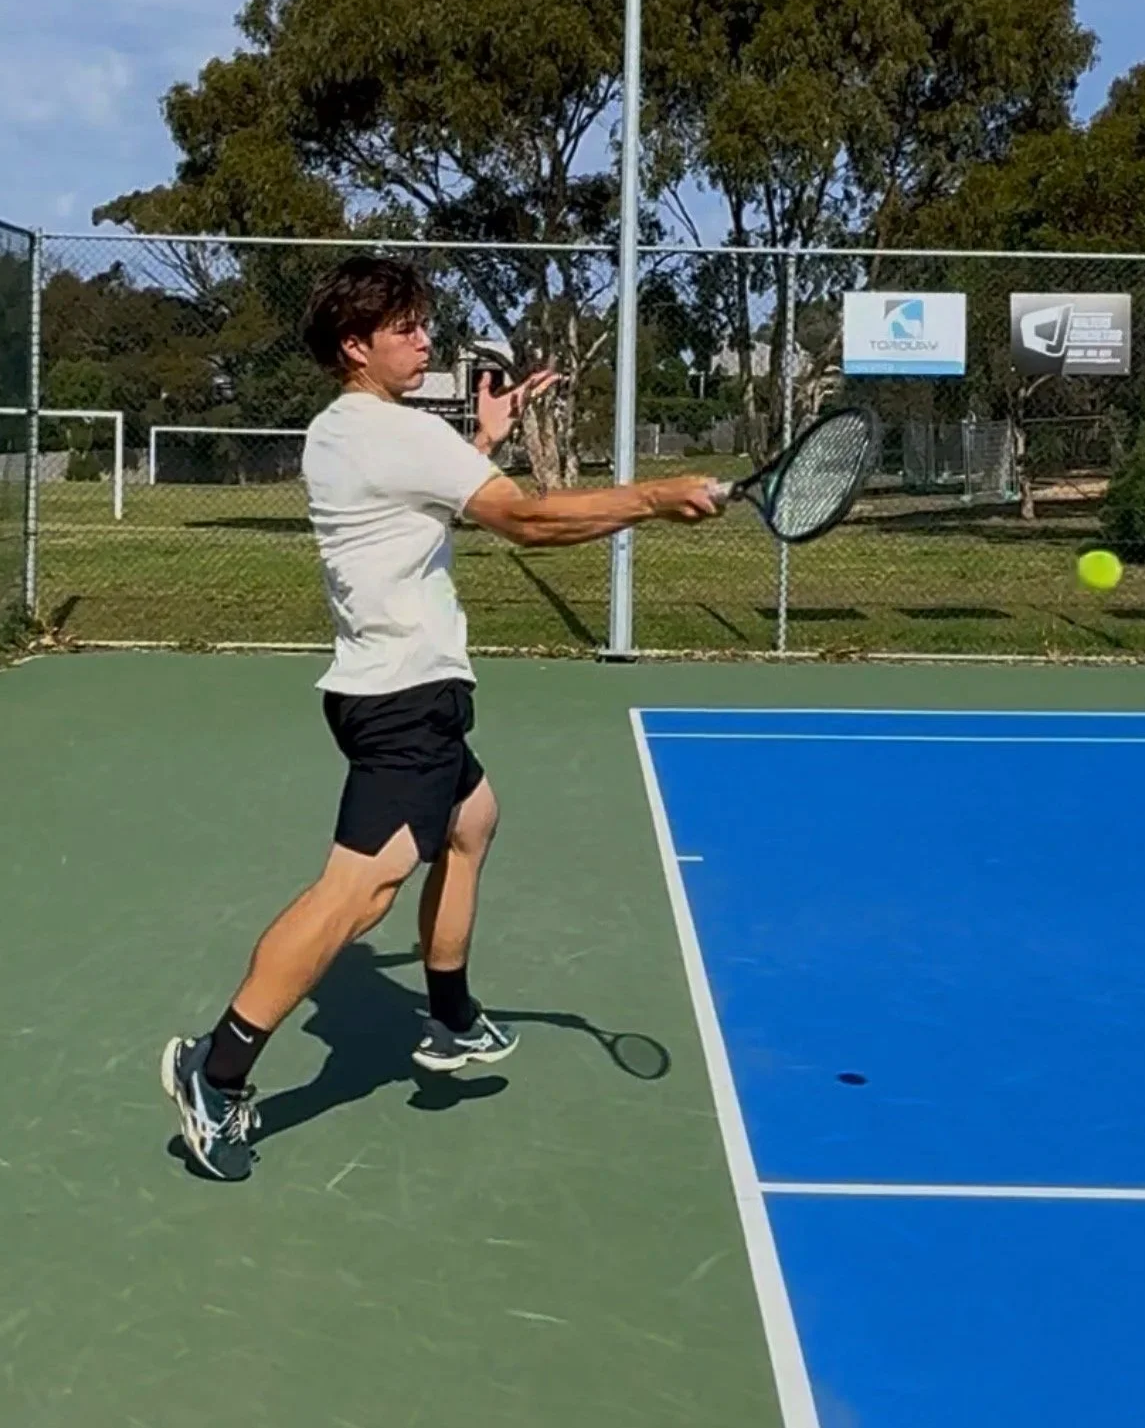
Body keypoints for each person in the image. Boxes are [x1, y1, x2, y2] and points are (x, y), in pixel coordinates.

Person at [161, 254, 724, 1180]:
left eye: (424, 322)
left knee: (472, 820)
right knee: (356, 894)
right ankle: (215, 1070)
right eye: (406, 328)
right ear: (356, 345)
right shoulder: (402, 434)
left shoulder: (339, 431)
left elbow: (418, 498)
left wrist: (482, 440)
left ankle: (452, 1017)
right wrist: (654, 499)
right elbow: (528, 521)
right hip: (404, 699)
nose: (426, 339)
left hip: (382, 689)